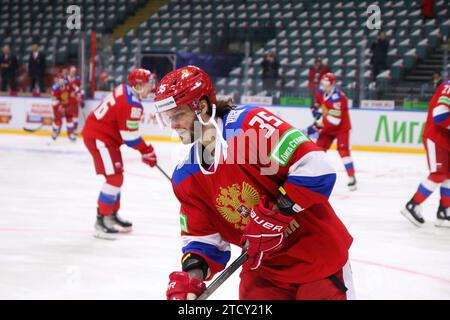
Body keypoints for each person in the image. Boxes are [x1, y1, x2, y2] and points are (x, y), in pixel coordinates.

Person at [153, 66, 354, 300]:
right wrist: (192, 277)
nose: (173, 125)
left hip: (317, 260)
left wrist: (276, 214)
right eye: (170, 117)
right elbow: (203, 239)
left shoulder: (250, 126)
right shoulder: (185, 176)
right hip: (264, 273)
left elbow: (317, 167)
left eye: (178, 115)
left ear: (202, 107)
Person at [82, 68, 158, 240]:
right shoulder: (132, 104)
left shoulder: (125, 89)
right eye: (148, 84)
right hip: (100, 139)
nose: (151, 88)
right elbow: (129, 137)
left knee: (117, 177)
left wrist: (145, 151)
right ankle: (101, 221)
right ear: (138, 85)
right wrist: (146, 151)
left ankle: (111, 215)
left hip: (105, 138)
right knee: (114, 179)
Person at [401, 80, 450, 228]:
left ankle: (444, 211)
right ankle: (412, 205)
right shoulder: (448, 87)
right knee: (438, 174)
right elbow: (440, 115)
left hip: (445, 140)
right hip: (436, 137)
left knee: (448, 175)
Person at [308, 73, 357, 191]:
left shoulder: (338, 98)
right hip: (327, 128)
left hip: (341, 129)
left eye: (326, 84)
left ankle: (352, 177)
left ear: (333, 84)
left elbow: (335, 121)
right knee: (318, 151)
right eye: (322, 84)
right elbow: (316, 106)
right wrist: (316, 113)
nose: (324, 86)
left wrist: (318, 124)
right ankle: (314, 177)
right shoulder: (320, 92)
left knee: (343, 152)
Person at [50, 73, 76, 142]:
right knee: (58, 121)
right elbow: (53, 100)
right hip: (57, 107)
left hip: (67, 105)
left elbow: (74, 90)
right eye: (59, 80)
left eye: (62, 80)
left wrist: (78, 95)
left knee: (69, 119)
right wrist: (59, 106)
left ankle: (70, 134)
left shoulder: (68, 85)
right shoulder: (54, 89)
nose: (61, 82)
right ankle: (54, 132)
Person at [66, 66, 84, 131]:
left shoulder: (77, 79)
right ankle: (70, 130)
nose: (73, 73)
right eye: (72, 71)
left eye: (74, 72)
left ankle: (74, 129)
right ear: (69, 72)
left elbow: (81, 90)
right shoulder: (65, 79)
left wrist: (81, 99)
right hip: (67, 101)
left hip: (74, 100)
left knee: (75, 114)